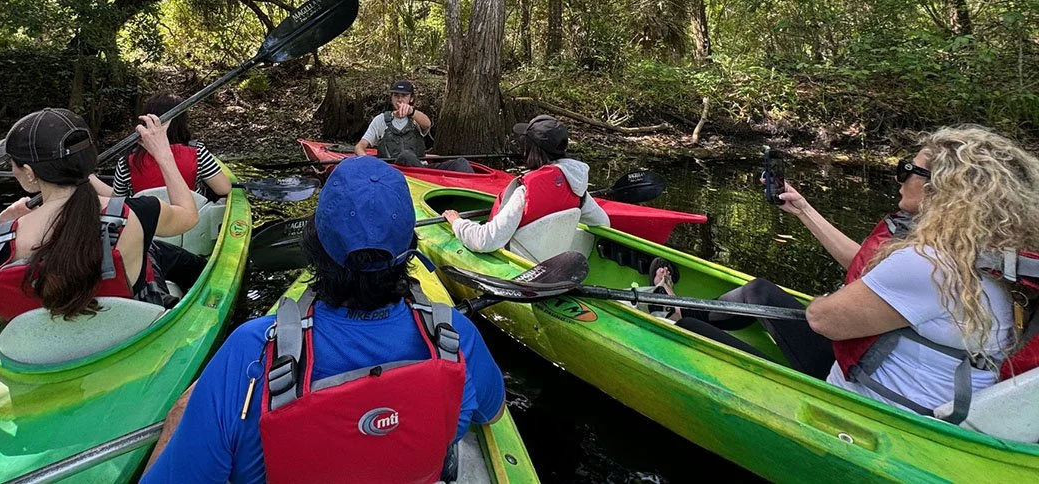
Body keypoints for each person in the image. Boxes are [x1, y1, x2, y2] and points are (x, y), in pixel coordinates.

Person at [141, 157, 506, 483]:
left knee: (186, 405)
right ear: (409, 247)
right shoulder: (453, 334)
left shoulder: (251, 350)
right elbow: (492, 412)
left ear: (314, 246)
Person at [670, 125, 1039, 421]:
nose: (900, 178)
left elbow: (823, 319)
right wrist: (803, 210)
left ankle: (674, 316)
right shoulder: (993, 254)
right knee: (758, 293)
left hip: (879, 410)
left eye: (907, 170)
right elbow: (869, 269)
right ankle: (681, 308)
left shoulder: (929, 262)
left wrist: (836, 297)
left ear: (939, 187)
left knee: (687, 333)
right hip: (941, 395)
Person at [0, 108, 205, 325]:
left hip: (45, 355)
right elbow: (188, 216)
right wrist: (163, 154)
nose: (12, 170)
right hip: (126, 335)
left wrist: (7, 228)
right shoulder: (135, 214)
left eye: (13, 163)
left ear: (30, 173)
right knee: (153, 249)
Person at [443, 115, 609, 260]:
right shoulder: (576, 186)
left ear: (531, 149)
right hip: (552, 260)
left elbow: (485, 240)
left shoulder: (524, 191)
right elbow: (603, 222)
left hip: (520, 265)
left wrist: (457, 222)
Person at [109, 92, 232, 201]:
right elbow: (223, 189)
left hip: (146, 225)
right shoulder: (198, 151)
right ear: (181, 122)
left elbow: (117, 201)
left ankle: (91, 178)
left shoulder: (126, 161)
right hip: (192, 222)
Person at [355, 79, 473, 173]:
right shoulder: (380, 120)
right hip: (393, 170)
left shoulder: (416, 117)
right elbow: (359, 147)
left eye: (404, 96)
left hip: (422, 169)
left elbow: (427, 123)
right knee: (406, 155)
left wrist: (411, 112)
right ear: (391, 98)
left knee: (461, 163)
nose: (399, 100)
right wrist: (368, 162)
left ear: (411, 98)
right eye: (396, 95)